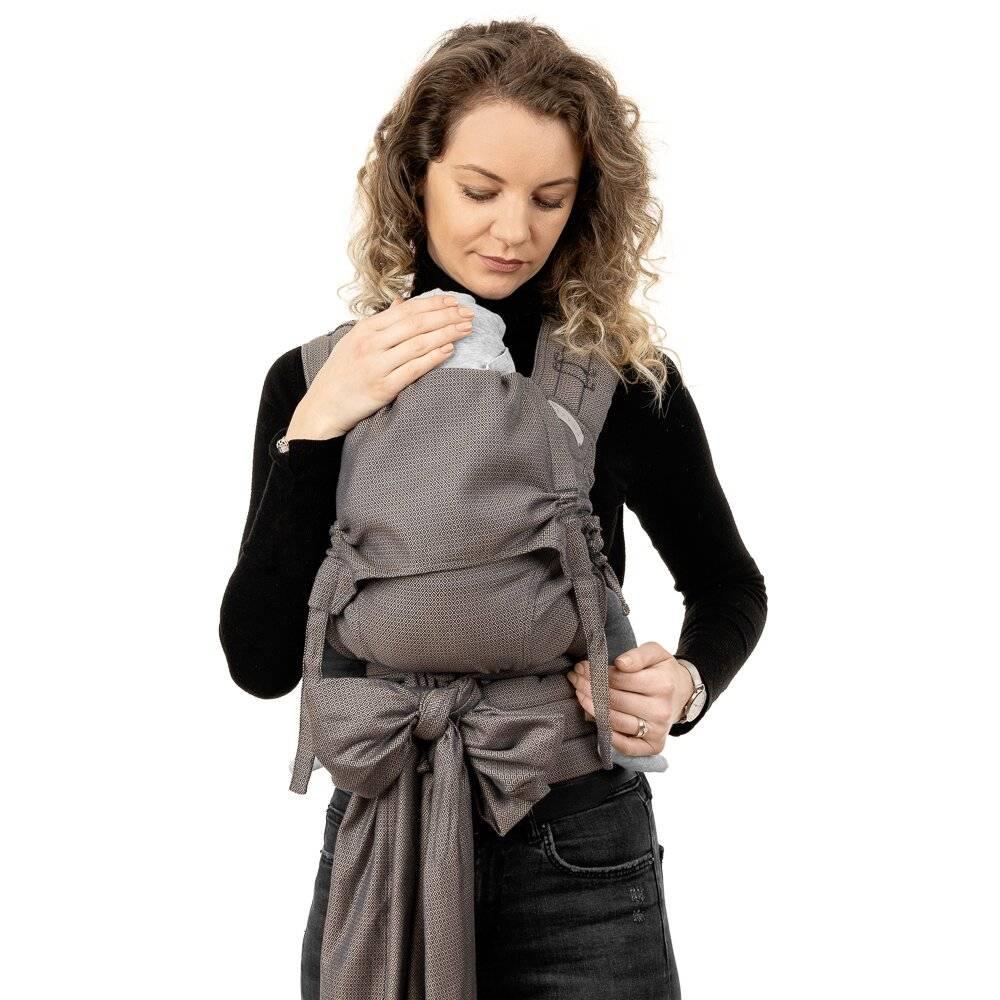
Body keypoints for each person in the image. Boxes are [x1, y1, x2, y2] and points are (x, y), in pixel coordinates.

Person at [218, 19, 767, 1000]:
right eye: (480, 190)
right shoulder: (314, 378)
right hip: (384, 825)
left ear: (584, 204)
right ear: (415, 176)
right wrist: (320, 427)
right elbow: (258, 661)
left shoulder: (620, 380)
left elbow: (728, 583)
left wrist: (684, 685)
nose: (513, 232)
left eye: (549, 198)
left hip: (579, 838)